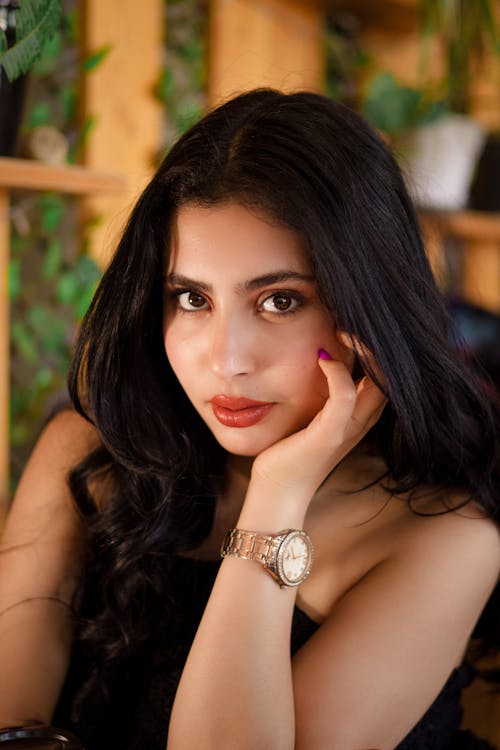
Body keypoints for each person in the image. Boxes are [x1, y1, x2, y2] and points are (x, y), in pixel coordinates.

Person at [0, 88, 499, 750]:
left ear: (368, 310)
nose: (227, 361)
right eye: (191, 298)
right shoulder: (87, 459)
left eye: (280, 301)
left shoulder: (445, 542)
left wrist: (276, 498)